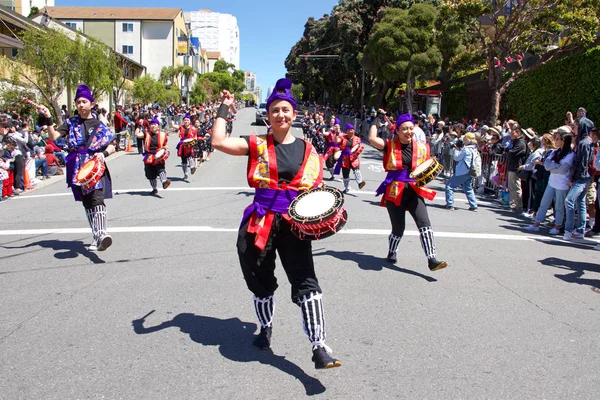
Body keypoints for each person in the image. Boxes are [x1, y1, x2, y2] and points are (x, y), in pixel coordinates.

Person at [211, 79, 342, 370]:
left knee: (307, 283)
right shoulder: (256, 143)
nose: (280, 115)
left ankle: (319, 345)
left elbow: (315, 192)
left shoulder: (308, 150)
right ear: (267, 116)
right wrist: (223, 109)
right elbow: (218, 142)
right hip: (259, 222)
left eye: (285, 110)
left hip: (295, 226)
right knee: (260, 283)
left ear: (294, 115)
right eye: (274, 111)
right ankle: (265, 327)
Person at [39, 84, 116, 251]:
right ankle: (97, 237)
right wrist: (48, 118)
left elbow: (112, 145)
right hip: (77, 167)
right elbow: (53, 136)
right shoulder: (70, 122)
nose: (81, 105)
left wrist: (104, 154)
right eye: (78, 102)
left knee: (97, 200)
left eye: (84, 101)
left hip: (95, 165)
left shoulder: (100, 123)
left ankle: (103, 234)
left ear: (91, 104)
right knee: (87, 203)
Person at [369, 112, 448, 271]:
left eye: (411, 128)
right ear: (397, 131)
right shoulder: (390, 145)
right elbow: (372, 139)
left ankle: (431, 259)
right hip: (395, 191)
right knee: (398, 229)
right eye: (404, 129)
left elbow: (427, 170)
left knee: (424, 224)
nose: (408, 132)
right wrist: (375, 120)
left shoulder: (422, 148)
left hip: (414, 190)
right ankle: (392, 251)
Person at [525, 128, 574, 234]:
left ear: (563, 140)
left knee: (559, 206)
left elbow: (563, 170)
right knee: (544, 202)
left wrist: (554, 166)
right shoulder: (555, 152)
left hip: (562, 183)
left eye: (557, 139)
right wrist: (556, 166)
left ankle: (557, 227)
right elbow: (547, 164)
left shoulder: (570, 154)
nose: (555, 141)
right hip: (552, 181)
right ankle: (537, 223)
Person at [136, 116, 171, 194]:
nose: (152, 126)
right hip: (149, 156)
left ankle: (164, 182)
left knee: (161, 169)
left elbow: (166, 144)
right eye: (151, 124)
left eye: (154, 124)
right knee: (150, 173)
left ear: (158, 126)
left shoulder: (163, 134)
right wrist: (139, 125)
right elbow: (137, 135)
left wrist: (165, 149)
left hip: (159, 155)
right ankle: (154, 188)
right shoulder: (146, 134)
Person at [444, 132, 478, 211]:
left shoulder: (466, 149)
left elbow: (457, 158)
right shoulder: (474, 149)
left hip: (462, 171)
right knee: (468, 188)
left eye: (464, 139)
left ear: (467, 139)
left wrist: (456, 150)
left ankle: (450, 204)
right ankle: (473, 205)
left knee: (449, 186)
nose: (463, 141)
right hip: (470, 171)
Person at [335, 123, 365, 193]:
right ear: (346, 131)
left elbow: (359, 147)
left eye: (352, 130)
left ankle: (360, 182)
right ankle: (347, 187)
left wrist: (354, 152)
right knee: (345, 173)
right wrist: (337, 133)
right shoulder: (343, 137)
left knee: (356, 169)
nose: (351, 131)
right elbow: (337, 141)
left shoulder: (357, 138)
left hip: (353, 157)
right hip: (345, 158)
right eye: (349, 130)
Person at [171, 114, 197, 180]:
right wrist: (172, 119)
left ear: (190, 121)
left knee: (190, 156)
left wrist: (192, 142)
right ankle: (185, 174)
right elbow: (173, 126)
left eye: (187, 120)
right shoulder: (181, 127)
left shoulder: (193, 128)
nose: (186, 121)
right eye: (185, 120)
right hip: (182, 145)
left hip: (190, 144)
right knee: (183, 160)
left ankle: (192, 167)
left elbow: (195, 137)